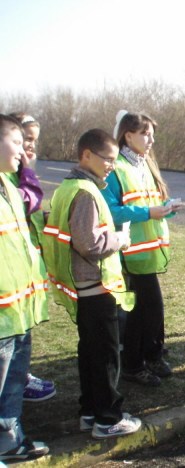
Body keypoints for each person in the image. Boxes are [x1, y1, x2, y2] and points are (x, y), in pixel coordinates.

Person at [43, 129, 141, 439]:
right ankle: (107, 418)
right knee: (105, 356)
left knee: (90, 353)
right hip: (95, 287)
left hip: (83, 287)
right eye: (108, 160)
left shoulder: (68, 187)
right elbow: (89, 244)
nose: (111, 166)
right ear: (87, 155)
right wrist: (121, 239)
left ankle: (89, 412)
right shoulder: (85, 192)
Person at [102, 111, 178, 387]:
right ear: (127, 134)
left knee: (145, 310)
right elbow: (110, 211)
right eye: (145, 133)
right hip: (129, 253)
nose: (151, 139)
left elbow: (148, 204)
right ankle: (138, 363)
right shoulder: (116, 167)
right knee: (145, 310)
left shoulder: (144, 164)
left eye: (151, 134)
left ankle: (148, 358)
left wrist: (166, 210)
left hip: (147, 251)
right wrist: (149, 212)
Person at [0, 114, 50, 468]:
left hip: (19, 308)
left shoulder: (8, 186)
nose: (24, 150)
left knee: (12, 384)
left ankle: (9, 441)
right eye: (17, 142)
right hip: (3, 312)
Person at [5, 113, 57, 404]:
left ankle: (20, 376)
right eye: (25, 140)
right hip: (9, 274)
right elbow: (27, 200)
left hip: (24, 268)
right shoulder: (14, 173)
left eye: (34, 141)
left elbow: (29, 212)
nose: (30, 147)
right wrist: (29, 171)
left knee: (22, 335)